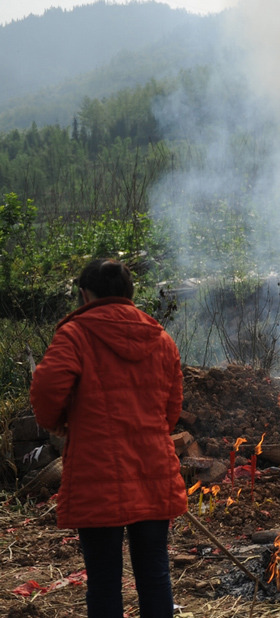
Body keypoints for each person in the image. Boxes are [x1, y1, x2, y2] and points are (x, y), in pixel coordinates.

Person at [30, 258, 187, 618]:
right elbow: (172, 406)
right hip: (153, 468)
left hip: (96, 471)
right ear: (130, 293)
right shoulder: (160, 338)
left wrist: (61, 425)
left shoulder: (75, 334)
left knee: (103, 579)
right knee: (154, 573)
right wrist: (149, 430)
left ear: (85, 295)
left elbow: (45, 389)